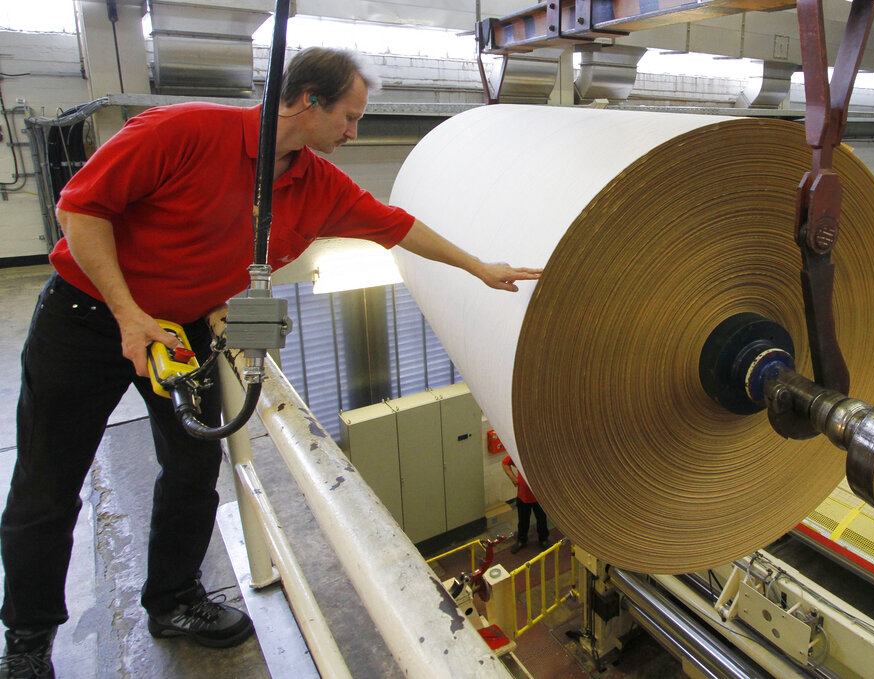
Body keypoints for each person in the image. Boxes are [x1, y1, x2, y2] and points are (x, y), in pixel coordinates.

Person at [0, 47, 541, 679]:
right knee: (48, 482)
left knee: (192, 468)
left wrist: (480, 267)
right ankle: (29, 640)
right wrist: (126, 314)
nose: (353, 132)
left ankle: (174, 600)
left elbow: (396, 226)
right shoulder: (181, 131)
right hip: (89, 317)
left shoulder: (317, 184)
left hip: (182, 331)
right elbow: (81, 209)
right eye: (348, 117)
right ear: (308, 101)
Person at [501, 455, 549, 554]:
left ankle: (543, 539)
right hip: (523, 496)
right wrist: (513, 478)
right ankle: (521, 540)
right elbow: (505, 463)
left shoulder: (541, 456)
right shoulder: (519, 454)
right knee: (523, 520)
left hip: (539, 496)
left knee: (542, 519)